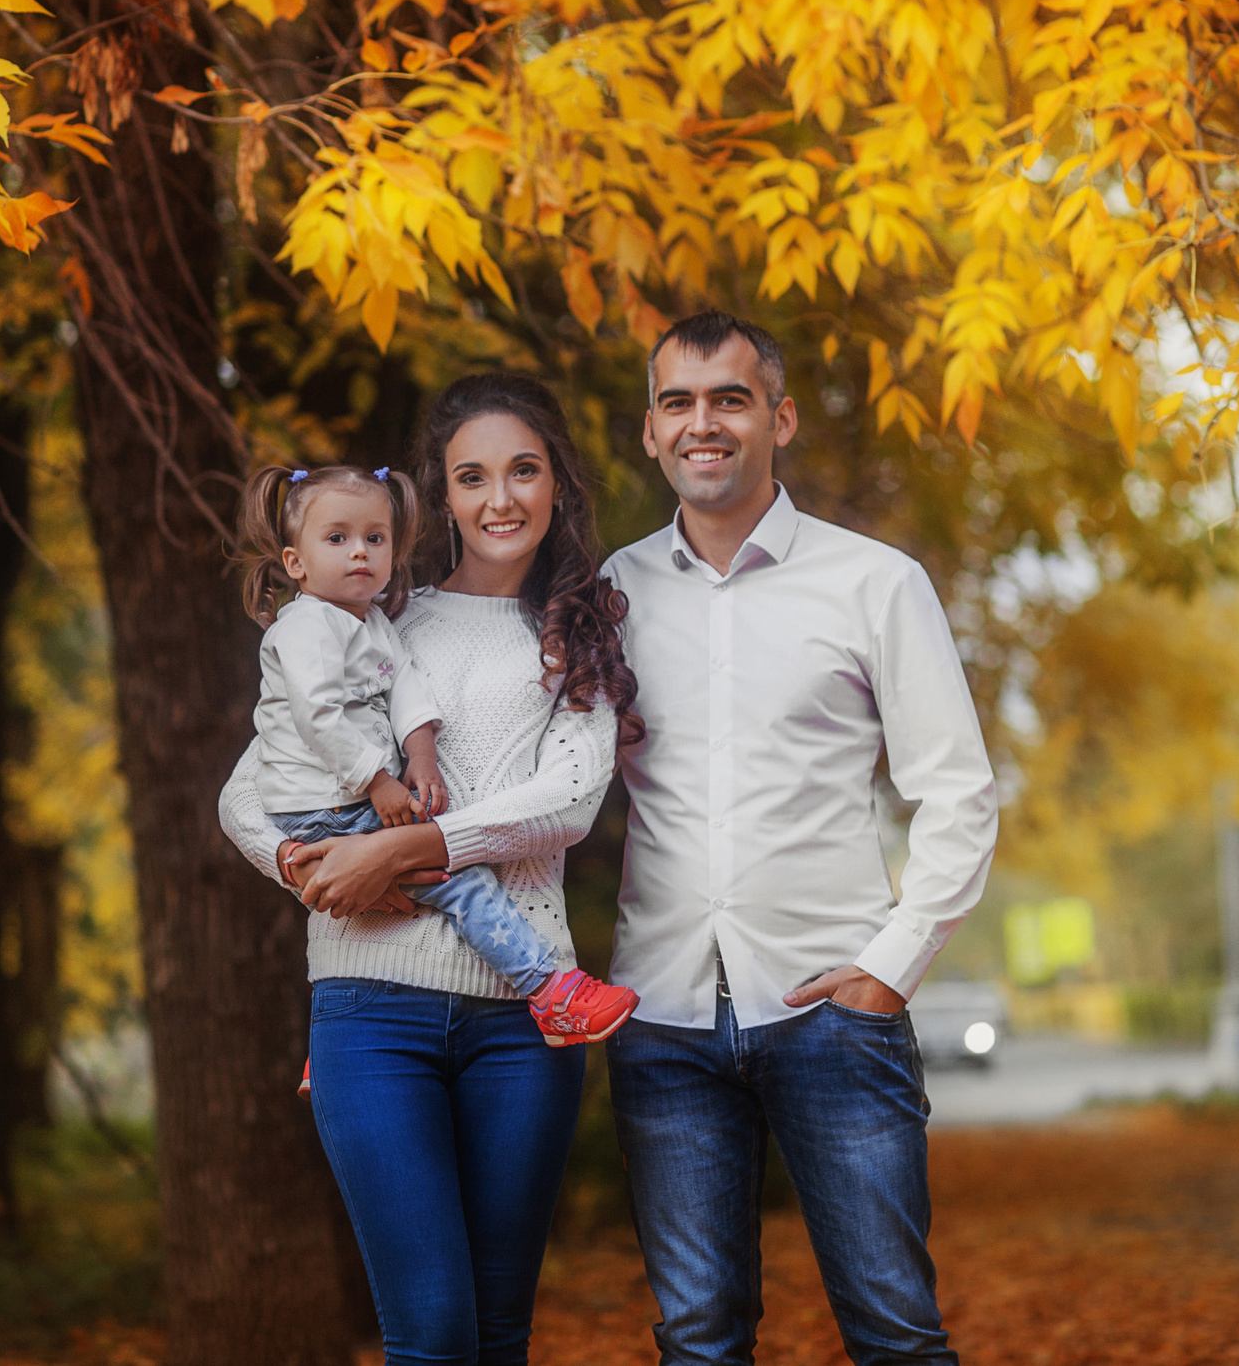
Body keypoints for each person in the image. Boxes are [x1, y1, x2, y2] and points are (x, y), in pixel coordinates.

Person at [602, 311, 1000, 1366]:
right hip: (662, 1018)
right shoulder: (607, 596)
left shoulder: (874, 582)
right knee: (697, 1341)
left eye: (729, 399)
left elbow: (957, 791)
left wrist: (891, 967)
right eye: (679, 403)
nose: (703, 423)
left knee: (896, 1334)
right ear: (650, 430)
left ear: (777, 420)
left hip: (832, 1012)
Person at [218, 373, 640, 1366]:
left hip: (526, 1020)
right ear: (441, 496)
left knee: (496, 1335)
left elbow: (568, 802)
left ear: (556, 483)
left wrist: (404, 846)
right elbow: (244, 793)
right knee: (434, 1333)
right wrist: (305, 866)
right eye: (472, 476)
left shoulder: (578, 632)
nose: (500, 498)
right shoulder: (370, 617)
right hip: (370, 1010)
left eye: (523, 471)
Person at [234, 460, 640, 1065]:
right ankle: (549, 989)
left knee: (426, 877)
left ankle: (334, 1054)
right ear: (296, 562)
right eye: (337, 538)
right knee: (462, 885)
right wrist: (378, 782)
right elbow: (317, 717)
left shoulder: (374, 621)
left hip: (351, 805)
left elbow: (404, 687)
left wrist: (422, 755)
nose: (359, 552)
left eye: (375, 538)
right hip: (324, 808)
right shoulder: (305, 628)